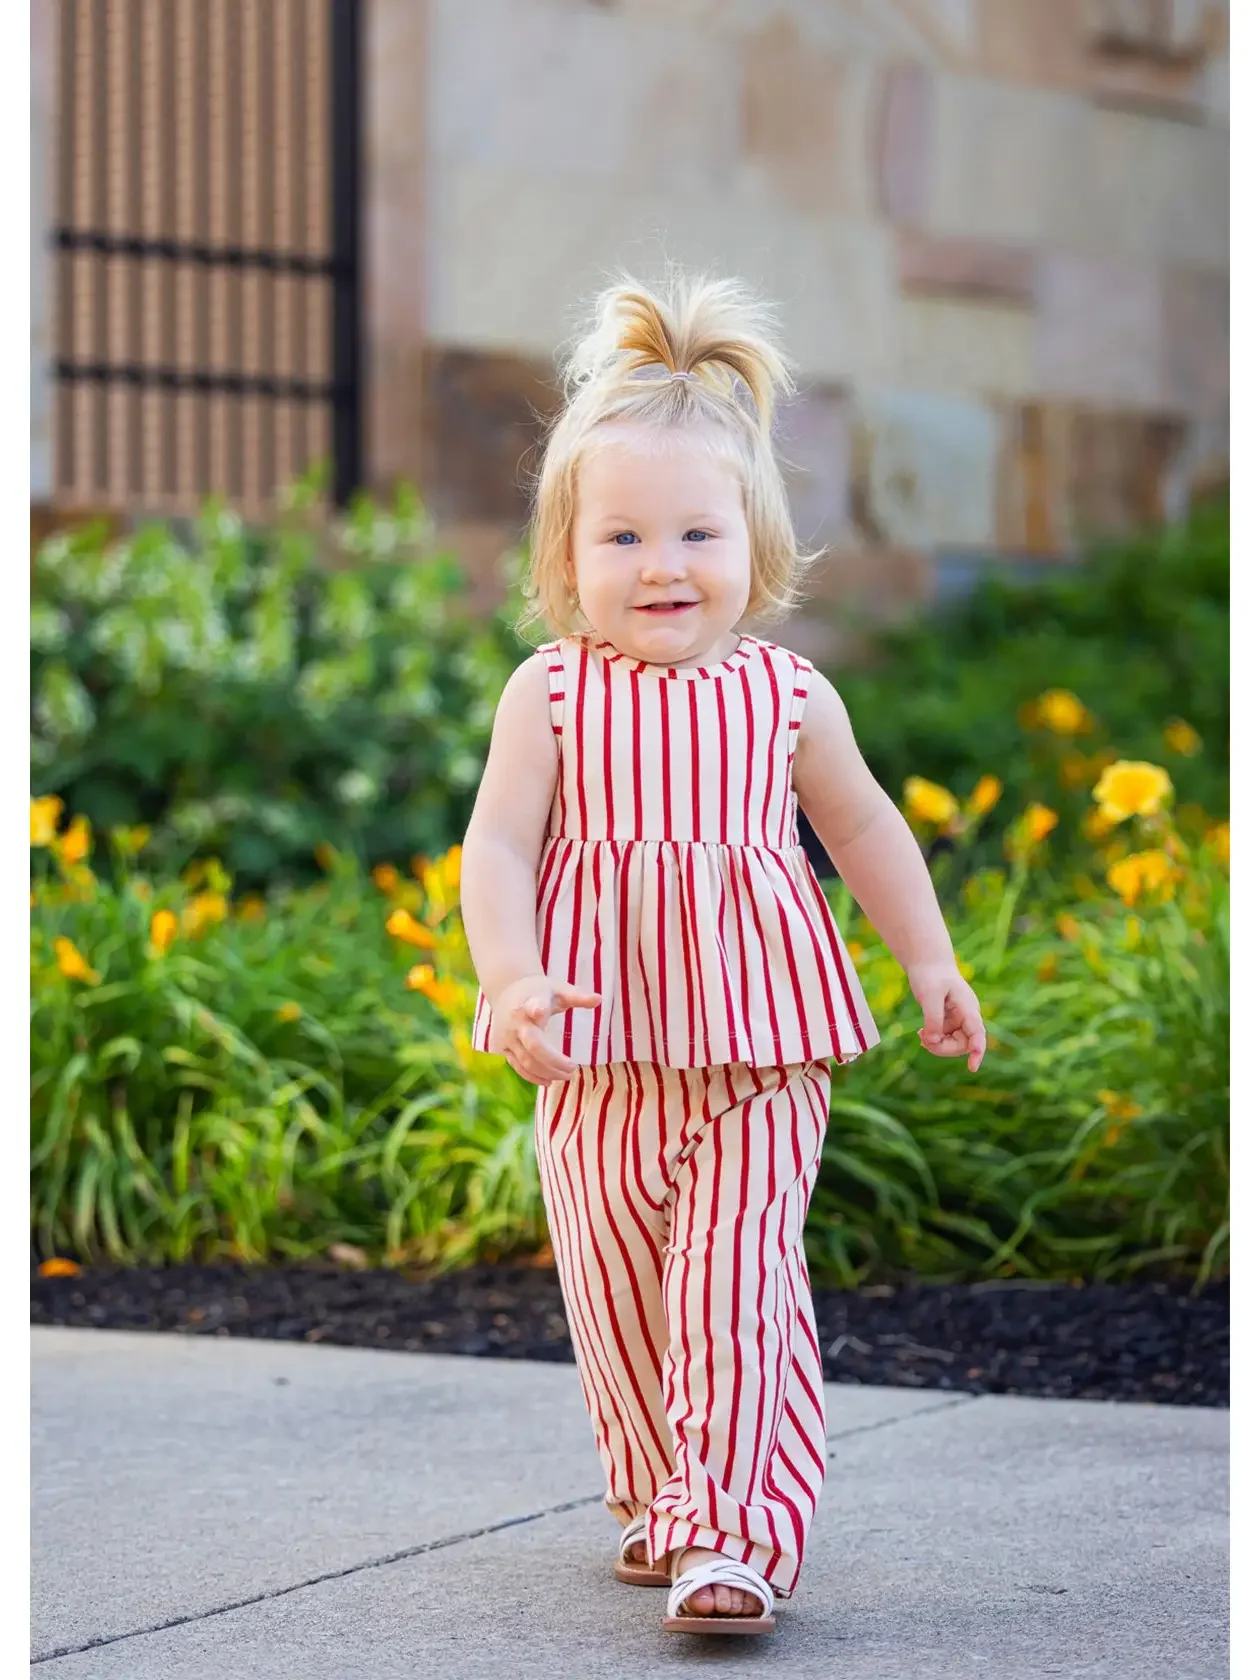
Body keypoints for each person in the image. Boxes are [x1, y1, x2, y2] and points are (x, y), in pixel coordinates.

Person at [460, 271, 986, 1637]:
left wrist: (927, 961)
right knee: (621, 1294)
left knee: (734, 1285)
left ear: (755, 546)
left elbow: (864, 831)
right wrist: (511, 980)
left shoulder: (789, 696)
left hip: (760, 1053)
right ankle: (663, 1497)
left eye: (697, 532)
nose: (662, 565)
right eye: (621, 535)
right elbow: (500, 851)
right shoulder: (552, 694)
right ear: (564, 558)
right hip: (599, 1062)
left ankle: (738, 1533)